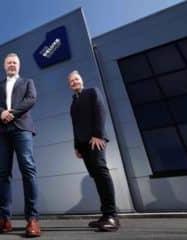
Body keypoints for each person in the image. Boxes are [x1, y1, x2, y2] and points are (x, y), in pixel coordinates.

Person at [0, 53, 41, 237]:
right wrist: (1, 113)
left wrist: (12, 113)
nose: (12, 65)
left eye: (15, 62)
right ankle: (4, 219)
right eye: (8, 62)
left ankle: (32, 219)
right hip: (1, 131)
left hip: (21, 128)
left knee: (28, 169)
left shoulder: (27, 82)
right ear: (4, 66)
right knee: (3, 173)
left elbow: (31, 99)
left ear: (19, 65)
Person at [68, 70, 120, 232]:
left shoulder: (92, 92)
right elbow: (75, 126)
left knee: (101, 171)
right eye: (71, 81)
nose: (74, 82)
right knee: (96, 176)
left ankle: (112, 217)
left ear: (81, 80)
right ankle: (105, 216)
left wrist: (98, 135)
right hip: (83, 145)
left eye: (76, 79)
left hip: (95, 140)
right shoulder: (73, 104)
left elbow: (101, 112)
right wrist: (77, 146)